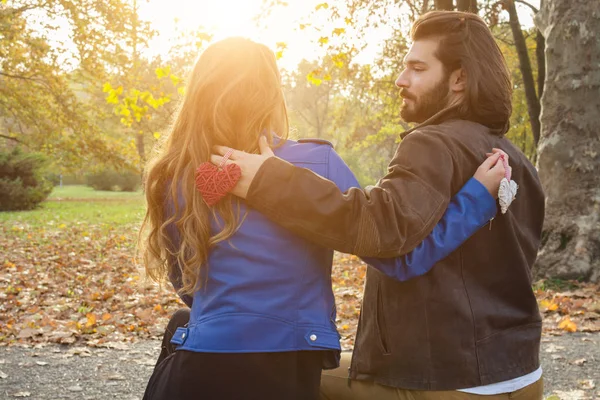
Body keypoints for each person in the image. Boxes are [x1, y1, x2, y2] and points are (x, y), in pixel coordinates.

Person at [139, 37, 508, 400]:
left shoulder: (173, 175)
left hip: (199, 365)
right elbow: (399, 258)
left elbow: (186, 282)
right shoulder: (318, 162)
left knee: (179, 324)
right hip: (287, 369)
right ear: (271, 94)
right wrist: (474, 199)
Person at [210, 11, 546, 400]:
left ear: (460, 79)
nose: (401, 80)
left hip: (445, 381)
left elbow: (377, 229)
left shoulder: (432, 143)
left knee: (273, 373)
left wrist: (270, 180)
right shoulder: (516, 160)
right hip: (522, 376)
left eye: (418, 68)